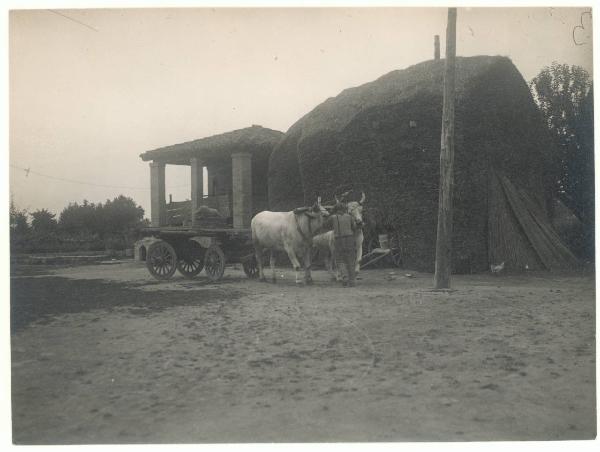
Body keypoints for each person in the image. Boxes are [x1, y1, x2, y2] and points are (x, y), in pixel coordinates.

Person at [326, 202, 357, 287]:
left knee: (340, 260)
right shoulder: (350, 217)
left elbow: (325, 225)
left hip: (339, 239)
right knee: (351, 260)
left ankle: (345, 278)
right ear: (344, 209)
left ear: (336, 210)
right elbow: (354, 228)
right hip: (350, 239)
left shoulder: (333, 217)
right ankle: (352, 281)